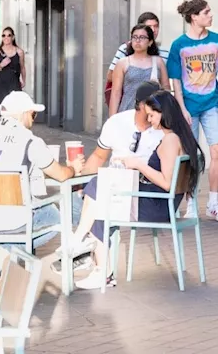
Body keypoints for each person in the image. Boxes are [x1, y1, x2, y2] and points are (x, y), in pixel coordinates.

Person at [74, 90, 203, 290]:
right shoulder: (180, 138)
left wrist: (139, 165)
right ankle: (97, 265)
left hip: (157, 206)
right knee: (101, 195)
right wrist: (135, 166)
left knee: (98, 189)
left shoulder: (170, 140)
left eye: (152, 115)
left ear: (163, 113)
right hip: (161, 204)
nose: (149, 120)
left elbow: (167, 182)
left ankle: (86, 250)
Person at [0, 91, 84, 247]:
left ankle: (2, 252)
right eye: (33, 115)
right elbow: (61, 175)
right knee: (55, 215)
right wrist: (73, 167)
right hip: (13, 221)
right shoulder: (30, 141)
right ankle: (8, 251)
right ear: (23, 114)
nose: (33, 120)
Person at [168, 0, 218, 222]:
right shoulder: (179, 45)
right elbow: (175, 80)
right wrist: (181, 108)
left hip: (211, 104)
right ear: (194, 17)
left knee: (217, 150)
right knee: (191, 156)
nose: (210, 15)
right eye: (206, 12)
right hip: (188, 105)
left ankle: (214, 203)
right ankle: (191, 202)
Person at [108, 24, 169, 117]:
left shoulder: (158, 62)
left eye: (142, 37)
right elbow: (116, 93)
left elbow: (166, 88)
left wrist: (166, 113)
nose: (137, 40)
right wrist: (112, 119)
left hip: (152, 114)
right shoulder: (123, 63)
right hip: (127, 112)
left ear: (150, 42)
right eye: (134, 37)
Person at [0, 27, 25, 122]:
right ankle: (0, 130)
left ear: (13, 37)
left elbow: (22, 67)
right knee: (1, 108)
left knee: (15, 108)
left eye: (9, 35)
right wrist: (1, 65)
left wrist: (23, 80)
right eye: (3, 35)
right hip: (0, 83)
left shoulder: (19, 52)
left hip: (14, 82)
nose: (6, 37)